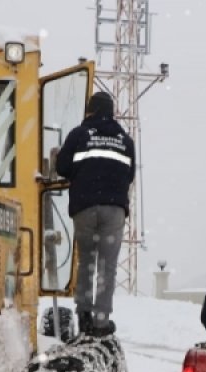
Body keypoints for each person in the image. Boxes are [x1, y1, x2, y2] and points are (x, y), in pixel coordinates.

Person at [55, 91, 136, 337]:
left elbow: (61, 167)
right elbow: (129, 175)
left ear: (90, 111)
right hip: (114, 210)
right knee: (107, 266)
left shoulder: (79, 134)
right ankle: (101, 322)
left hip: (85, 207)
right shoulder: (125, 140)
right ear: (111, 112)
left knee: (87, 262)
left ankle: (84, 315)